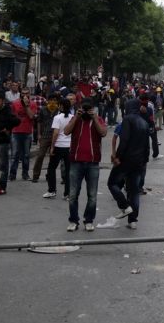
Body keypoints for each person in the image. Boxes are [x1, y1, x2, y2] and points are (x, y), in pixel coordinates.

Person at [63, 98, 107, 232]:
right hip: (76, 162)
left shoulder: (97, 119)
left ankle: (89, 220)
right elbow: (66, 131)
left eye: (88, 109)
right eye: (84, 108)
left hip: (93, 163)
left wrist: (94, 118)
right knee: (73, 194)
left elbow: (103, 133)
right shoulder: (76, 119)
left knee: (92, 195)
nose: (86, 111)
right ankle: (73, 220)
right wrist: (76, 117)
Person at [109, 98, 150, 229]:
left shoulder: (128, 119)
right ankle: (133, 221)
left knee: (112, 183)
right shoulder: (144, 122)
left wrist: (117, 157)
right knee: (134, 191)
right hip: (139, 162)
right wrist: (145, 160)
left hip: (126, 160)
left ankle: (125, 206)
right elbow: (147, 145)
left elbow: (124, 140)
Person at [43, 98, 73, 199]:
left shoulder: (57, 117)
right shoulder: (73, 118)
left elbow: (55, 133)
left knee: (52, 168)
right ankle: (67, 193)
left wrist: (52, 147)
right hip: (69, 146)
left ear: (61, 106)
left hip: (58, 146)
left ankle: (52, 190)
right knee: (69, 170)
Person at [8, 88, 37, 181]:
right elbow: (11, 117)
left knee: (26, 155)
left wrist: (27, 105)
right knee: (14, 154)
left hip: (27, 132)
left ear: (29, 94)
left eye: (26, 93)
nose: (25, 95)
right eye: (23, 93)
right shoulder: (14, 103)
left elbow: (31, 116)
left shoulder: (32, 104)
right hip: (16, 131)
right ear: (20, 94)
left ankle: (25, 174)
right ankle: (12, 174)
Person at [32, 93, 59, 183]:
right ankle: (35, 175)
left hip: (55, 136)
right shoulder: (43, 109)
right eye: (51, 100)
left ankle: (49, 175)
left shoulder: (58, 110)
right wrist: (39, 134)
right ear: (48, 101)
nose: (52, 102)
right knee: (40, 155)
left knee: (53, 157)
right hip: (45, 135)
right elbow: (39, 122)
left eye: (54, 100)